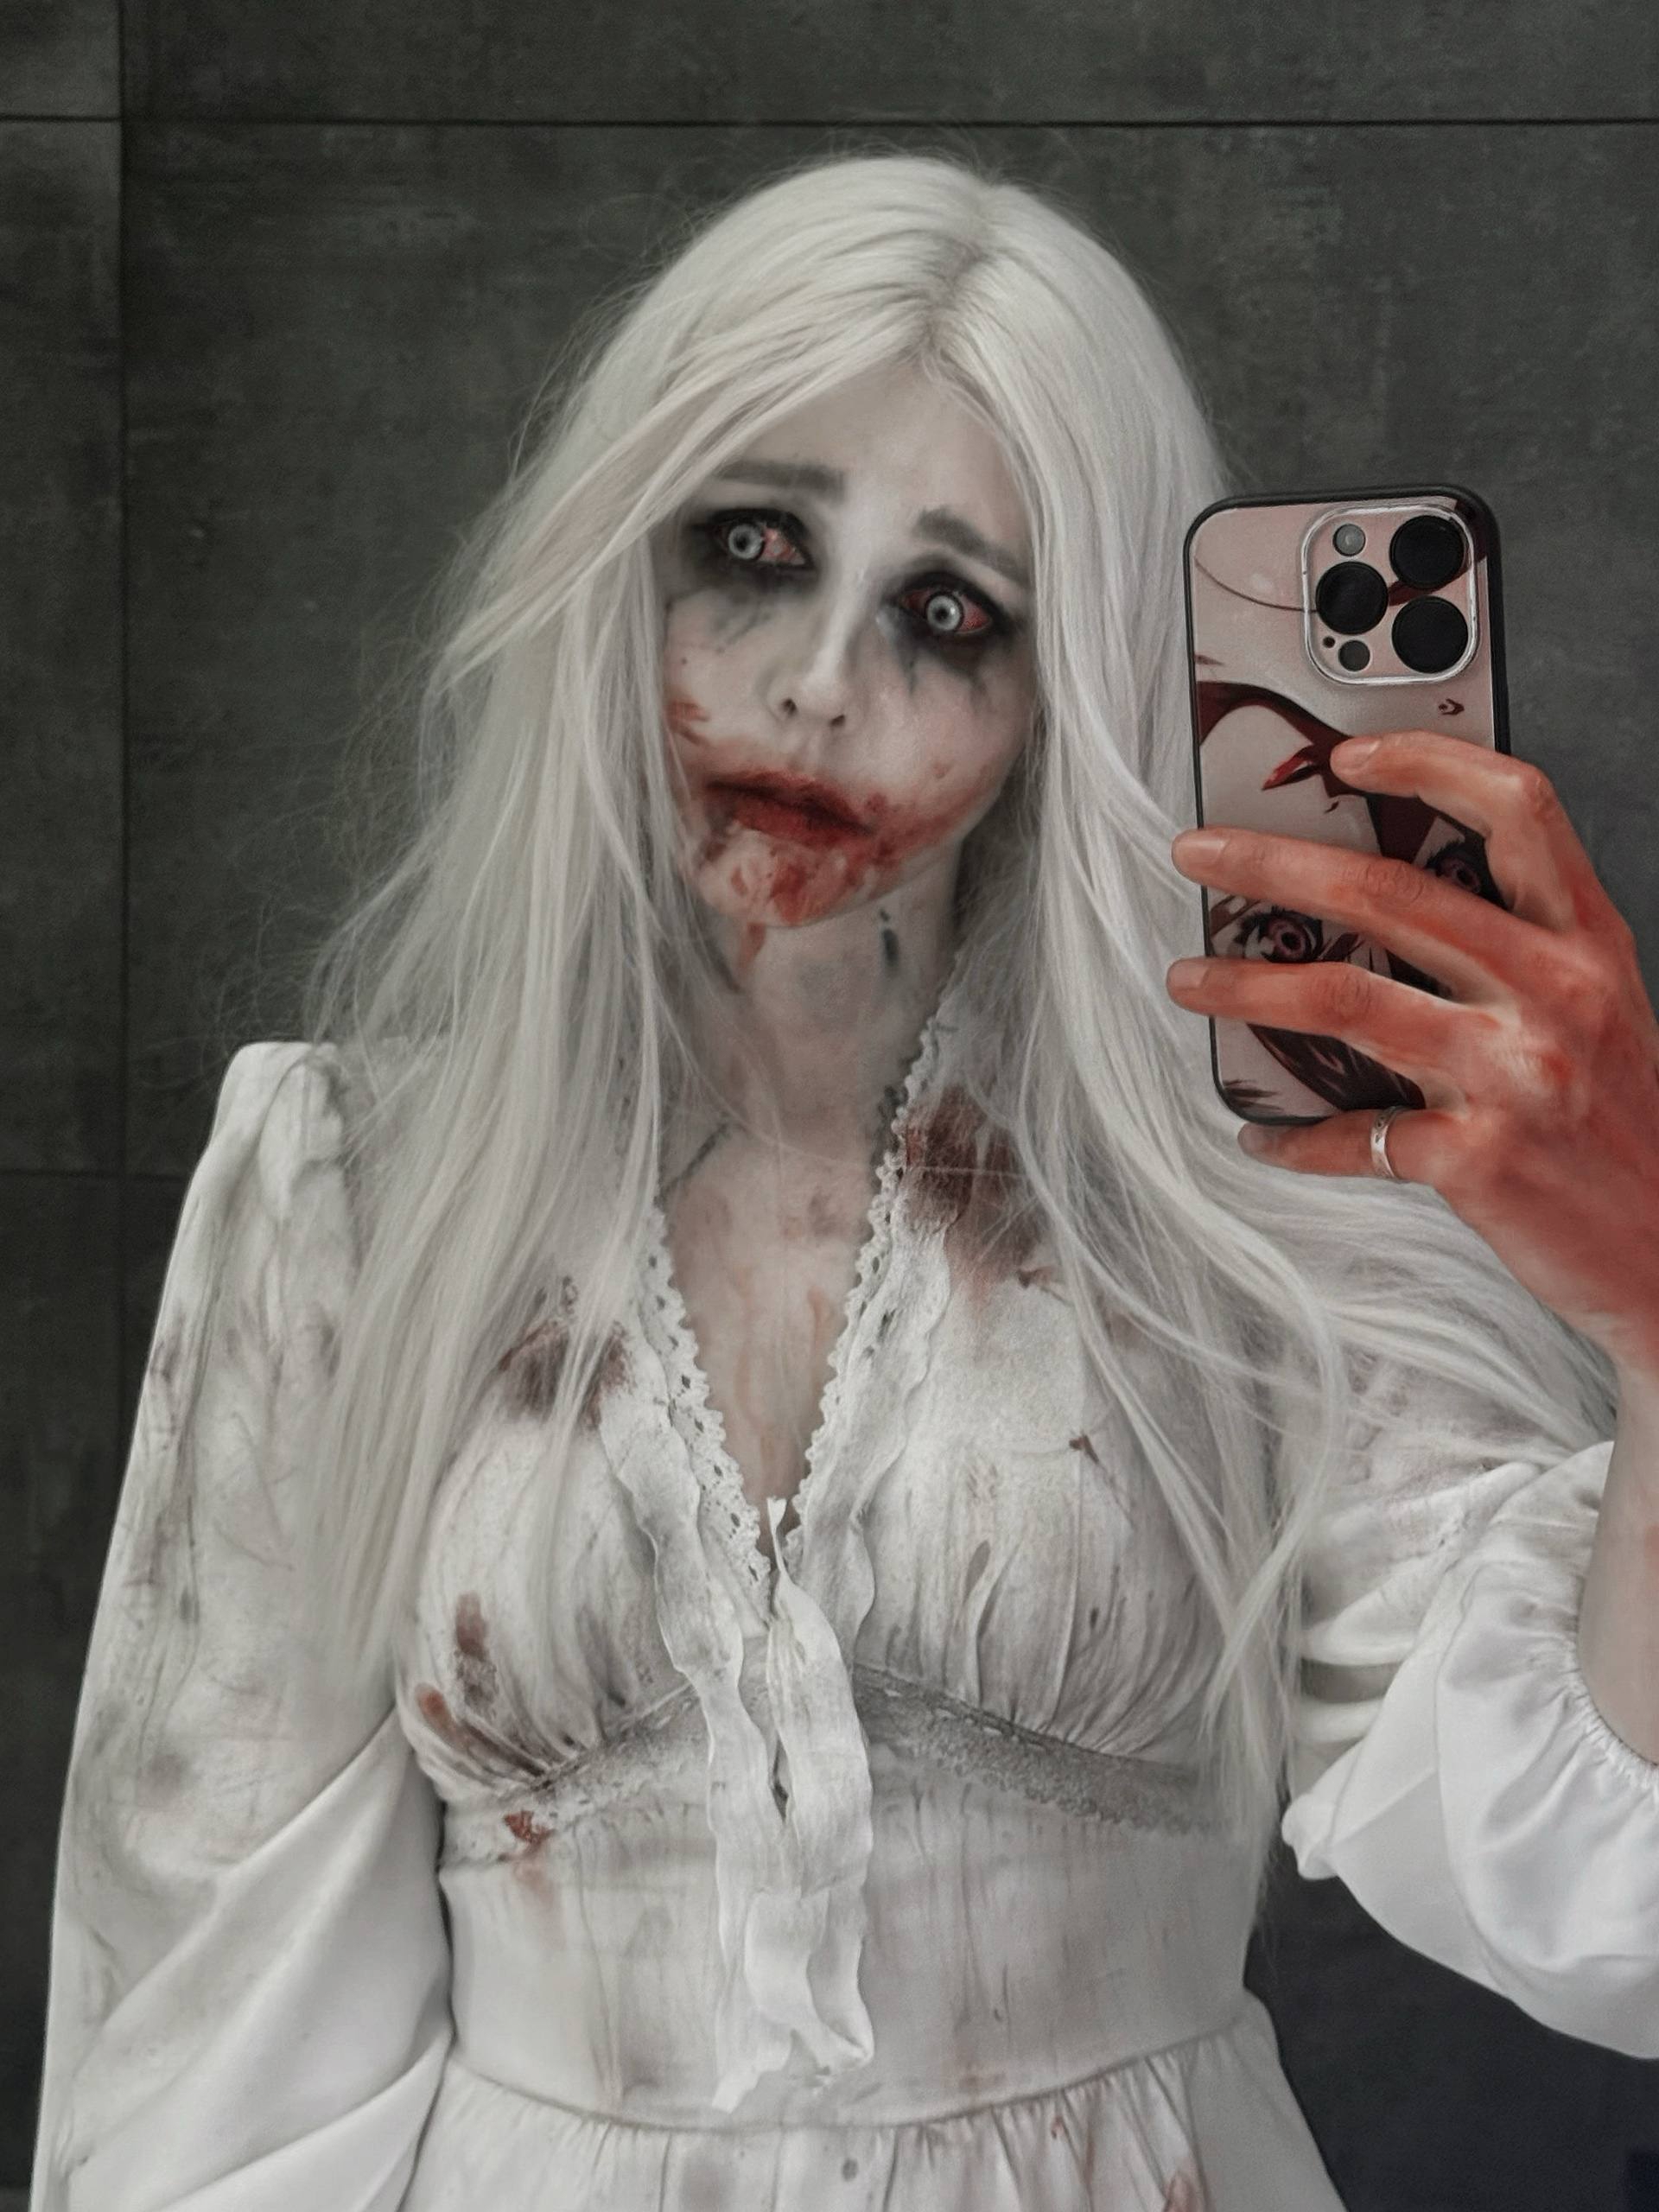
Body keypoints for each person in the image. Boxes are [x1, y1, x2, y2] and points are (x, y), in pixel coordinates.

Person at [29, 151, 1659, 2212]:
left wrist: (1654, 1314)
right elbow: (216, 2050)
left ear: (1064, 693)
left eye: (946, 611)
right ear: (621, 567)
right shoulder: (354, 1186)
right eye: (755, 548)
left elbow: (1598, 1895)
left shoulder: (1253, 1189)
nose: (817, 681)